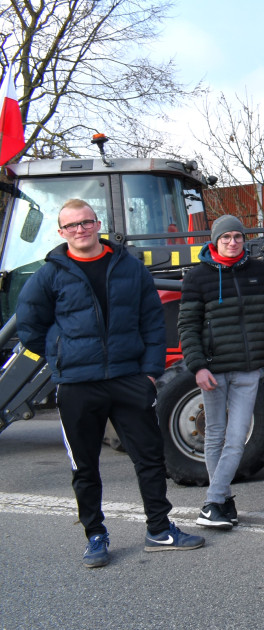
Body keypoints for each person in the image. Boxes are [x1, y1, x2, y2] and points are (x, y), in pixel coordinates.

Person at [17, 198, 205, 568]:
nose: (80, 230)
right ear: (61, 232)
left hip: (128, 379)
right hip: (77, 384)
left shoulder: (128, 267)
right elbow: (29, 326)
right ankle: (95, 536)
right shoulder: (50, 274)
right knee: (84, 466)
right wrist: (62, 358)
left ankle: (159, 529)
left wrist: (150, 373)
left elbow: (153, 320)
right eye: (71, 226)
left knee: (150, 458)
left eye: (86, 222)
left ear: (97, 223)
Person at [177, 215, 264, 530]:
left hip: (248, 369)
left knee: (235, 439)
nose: (233, 242)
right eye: (226, 237)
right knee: (216, 435)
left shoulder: (259, 271)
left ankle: (215, 501)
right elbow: (187, 327)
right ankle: (219, 501)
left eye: (238, 237)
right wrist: (198, 367)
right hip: (214, 370)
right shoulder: (197, 278)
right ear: (215, 241)